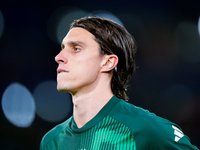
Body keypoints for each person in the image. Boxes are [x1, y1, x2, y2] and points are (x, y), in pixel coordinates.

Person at [40, 16, 198, 150]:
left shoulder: (145, 128)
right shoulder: (52, 141)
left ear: (108, 62)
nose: (59, 57)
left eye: (76, 48)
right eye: (62, 48)